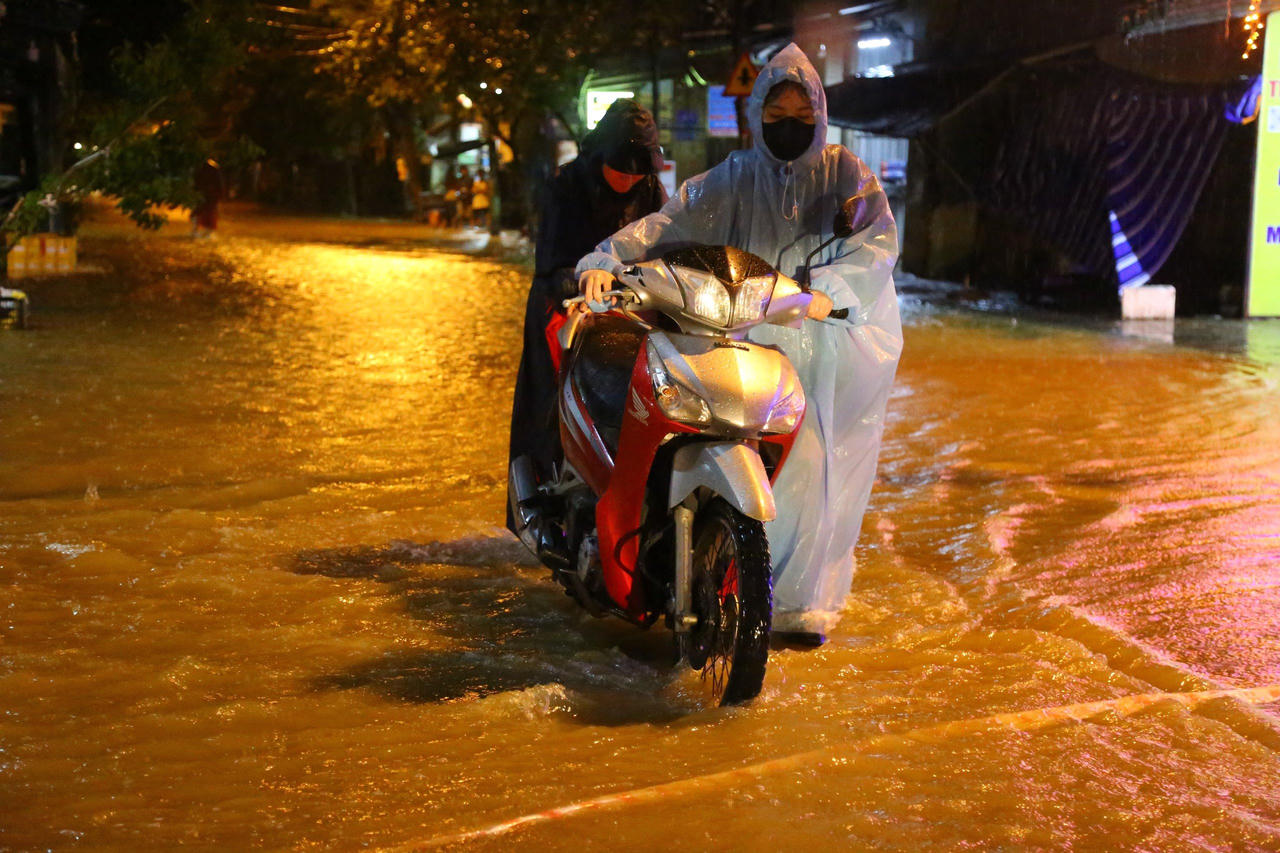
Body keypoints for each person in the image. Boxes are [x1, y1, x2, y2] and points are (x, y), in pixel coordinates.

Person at [575, 44, 902, 645]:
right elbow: (664, 226)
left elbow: (876, 240)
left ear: (820, 113)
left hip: (822, 343)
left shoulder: (848, 175)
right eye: (774, 112)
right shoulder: (730, 180)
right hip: (744, 334)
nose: (787, 124)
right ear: (756, 115)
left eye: (799, 112)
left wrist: (826, 291)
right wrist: (603, 259)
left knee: (816, 471)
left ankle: (802, 604)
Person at [506, 99, 667, 536]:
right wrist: (583, 283)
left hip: (628, 306)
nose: (630, 178)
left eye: (639, 171)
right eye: (621, 169)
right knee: (550, 398)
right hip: (562, 300)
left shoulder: (651, 189)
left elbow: (669, 245)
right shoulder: (566, 185)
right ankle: (542, 506)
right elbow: (551, 262)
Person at [191, 158, 224, 239]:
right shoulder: (214, 168)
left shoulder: (200, 168)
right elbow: (219, 185)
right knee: (207, 214)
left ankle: (196, 231)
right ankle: (202, 232)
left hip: (205, 195)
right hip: (209, 196)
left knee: (199, 213)